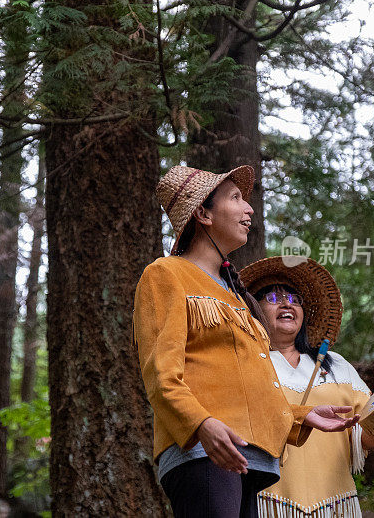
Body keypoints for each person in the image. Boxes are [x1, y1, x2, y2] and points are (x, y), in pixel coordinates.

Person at [133, 165, 359, 518]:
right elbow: (161, 374)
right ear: (203, 214)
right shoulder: (166, 274)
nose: (249, 208)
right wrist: (201, 424)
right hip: (202, 451)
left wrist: (303, 415)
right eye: (236, 198)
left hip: (248, 459)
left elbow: (246, 388)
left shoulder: (238, 297)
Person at [238, 256, 374, 518]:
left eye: (295, 300)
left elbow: (363, 434)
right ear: (253, 309)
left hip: (334, 503)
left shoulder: (336, 366)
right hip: (266, 501)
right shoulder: (243, 363)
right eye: (274, 298)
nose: (287, 303)